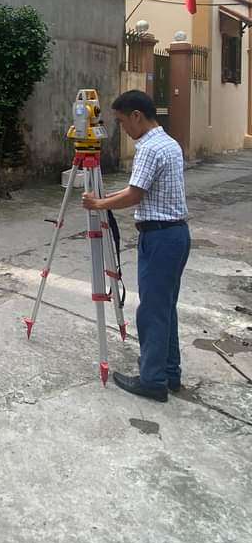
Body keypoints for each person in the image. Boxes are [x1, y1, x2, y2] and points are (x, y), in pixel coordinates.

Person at [81, 89, 190, 402]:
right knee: (165, 308)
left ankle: (153, 380)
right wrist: (108, 198)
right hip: (176, 235)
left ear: (137, 116)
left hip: (160, 237)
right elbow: (137, 188)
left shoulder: (148, 149)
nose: (122, 130)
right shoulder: (168, 143)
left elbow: (133, 196)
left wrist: (98, 203)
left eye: (122, 122)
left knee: (153, 311)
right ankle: (169, 372)